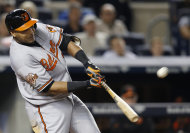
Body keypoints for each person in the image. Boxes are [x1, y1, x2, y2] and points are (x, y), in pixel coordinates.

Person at [5, 9, 105, 133]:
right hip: (47, 107)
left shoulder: (38, 29)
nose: (31, 31)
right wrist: (87, 83)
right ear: (13, 33)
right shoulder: (20, 56)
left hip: (68, 98)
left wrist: (87, 63)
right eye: (24, 30)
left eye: (31, 26)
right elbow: (50, 88)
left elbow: (66, 41)